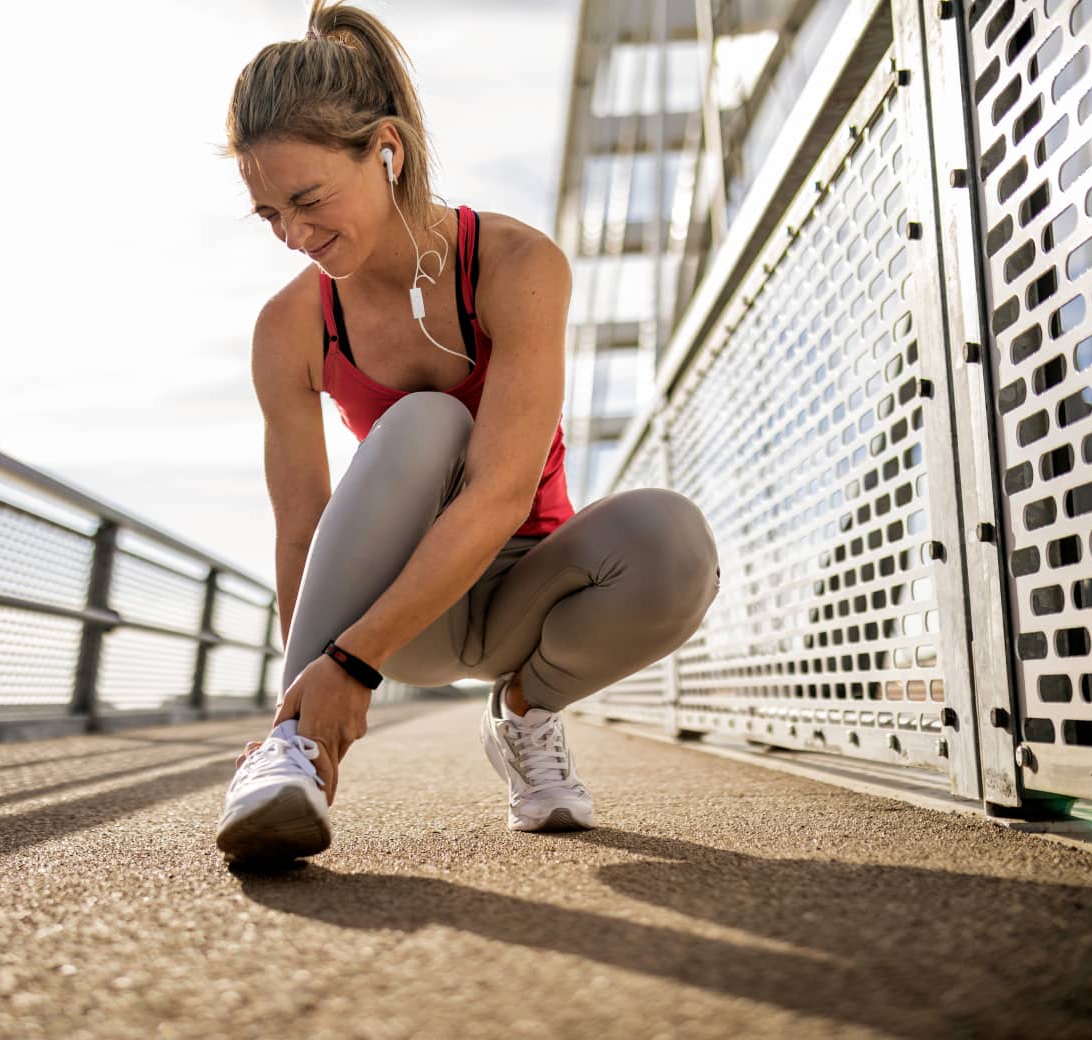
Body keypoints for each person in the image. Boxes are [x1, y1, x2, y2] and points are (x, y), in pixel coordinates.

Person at [215, 0, 720, 865]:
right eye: (269, 216)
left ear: (386, 149)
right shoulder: (288, 328)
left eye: (306, 200)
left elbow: (501, 493)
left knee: (674, 540)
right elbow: (303, 529)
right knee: (423, 423)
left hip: (531, 587)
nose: (293, 237)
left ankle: (524, 715)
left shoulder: (519, 266)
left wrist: (354, 666)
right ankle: (285, 754)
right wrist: (312, 689)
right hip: (409, 611)